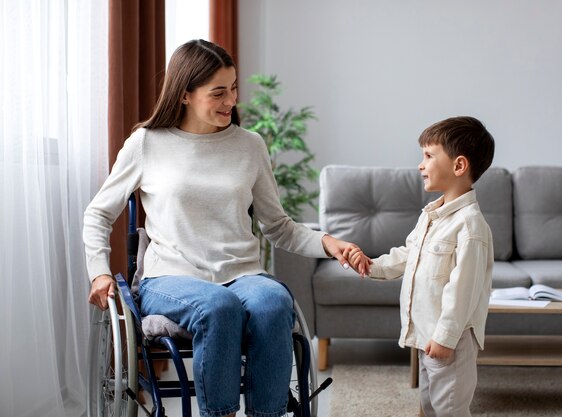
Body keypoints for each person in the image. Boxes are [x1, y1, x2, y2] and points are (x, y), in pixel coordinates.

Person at [83, 39, 360, 417]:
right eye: (218, 92)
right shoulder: (147, 143)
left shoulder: (249, 145)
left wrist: (328, 243)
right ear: (184, 94)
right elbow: (99, 214)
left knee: (273, 302)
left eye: (233, 88)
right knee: (219, 306)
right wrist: (99, 272)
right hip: (170, 278)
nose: (231, 100)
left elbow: (277, 226)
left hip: (242, 272)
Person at [346, 116, 495, 417]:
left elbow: (463, 291)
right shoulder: (431, 215)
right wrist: (370, 265)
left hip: (448, 340)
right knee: (430, 405)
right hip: (428, 338)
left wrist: (445, 337)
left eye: (428, 156)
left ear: (458, 166)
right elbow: (407, 255)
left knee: (450, 408)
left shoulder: (470, 227)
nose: (420, 165)